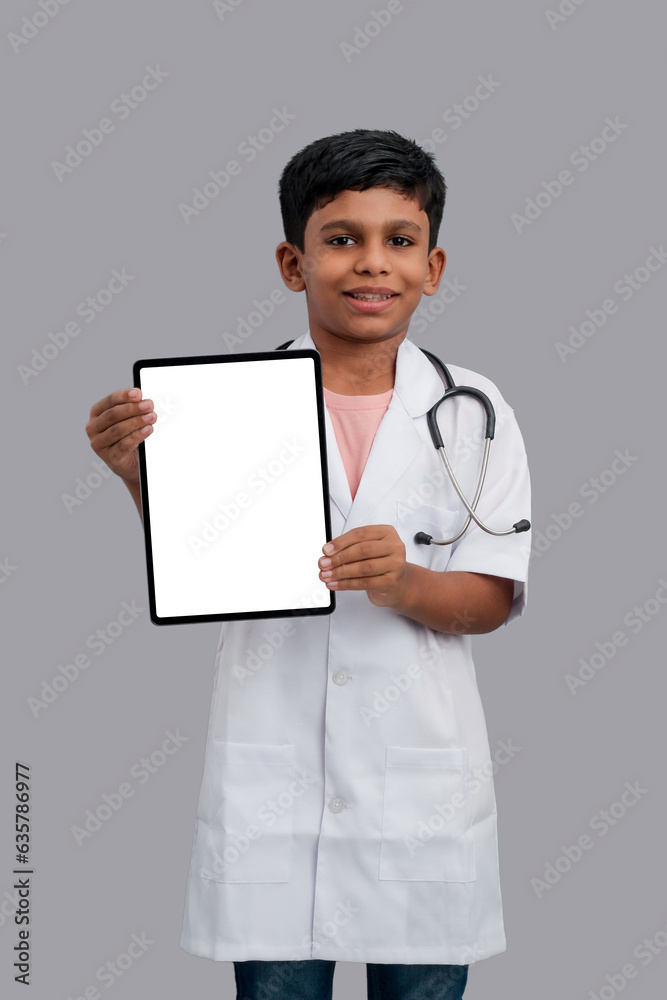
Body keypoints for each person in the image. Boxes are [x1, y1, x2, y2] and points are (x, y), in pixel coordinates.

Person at [86, 128, 531, 1000]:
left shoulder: (476, 413)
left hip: (422, 792)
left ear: (432, 267)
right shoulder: (219, 411)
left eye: (398, 241)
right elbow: (205, 572)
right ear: (293, 264)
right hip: (274, 790)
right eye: (341, 240)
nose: (372, 264)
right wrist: (146, 479)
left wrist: (405, 585)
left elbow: (488, 598)